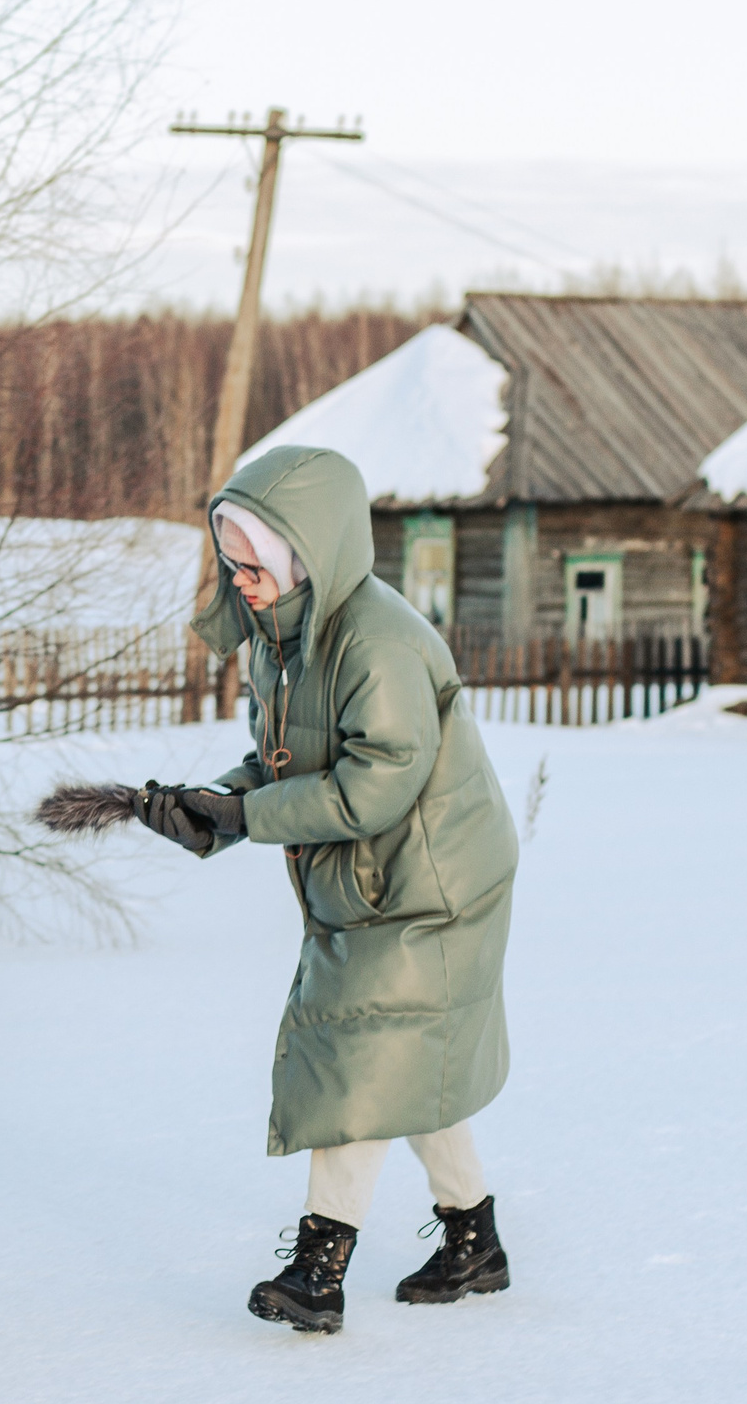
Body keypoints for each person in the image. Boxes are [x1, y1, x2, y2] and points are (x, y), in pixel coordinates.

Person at [137, 445, 517, 1335]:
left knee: (358, 1053)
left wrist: (248, 817)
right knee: (407, 1054)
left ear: (310, 552)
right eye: (230, 563)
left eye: (256, 564)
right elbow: (291, 762)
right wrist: (215, 805)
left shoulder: (377, 643)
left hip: (434, 881)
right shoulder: (283, 639)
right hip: (373, 875)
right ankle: (475, 1240)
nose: (242, 581)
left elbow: (372, 785)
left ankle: (319, 1270)